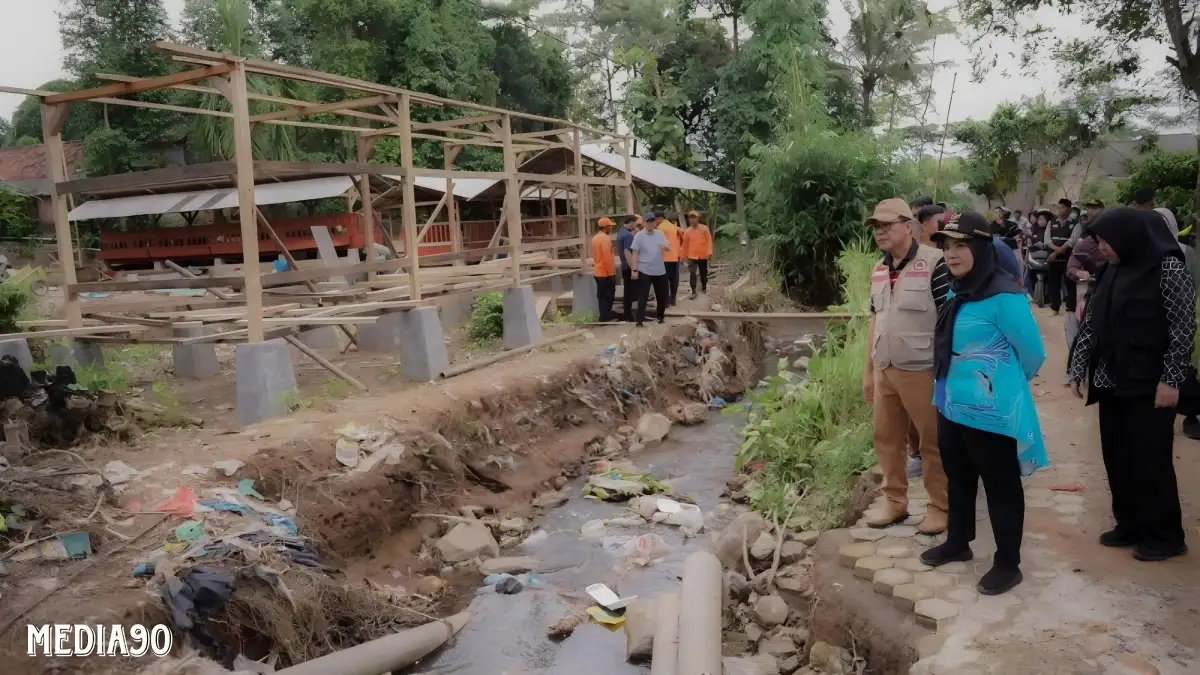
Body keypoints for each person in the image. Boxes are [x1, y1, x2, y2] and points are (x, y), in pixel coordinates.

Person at [920, 210, 1047, 595]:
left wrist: (1000, 384)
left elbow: (1033, 354)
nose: (951, 254)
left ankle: (1008, 563)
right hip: (949, 402)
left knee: (1000, 483)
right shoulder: (955, 290)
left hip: (991, 410)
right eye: (946, 246)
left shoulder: (1004, 296)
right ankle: (959, 542)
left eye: (960, 246)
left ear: (980, 247)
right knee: (958, 476)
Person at [1068, 208, 1193, 562]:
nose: (1101, 248)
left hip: (1149, 386)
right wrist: (1078, 367)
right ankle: (1130, 524)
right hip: (1111, 385)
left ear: (1128, 237)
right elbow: (1091, 323)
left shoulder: (1167, 268)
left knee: (1150, 461)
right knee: (1117, 457)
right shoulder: (1110, 270)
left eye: (1106, 241)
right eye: (1098, 241)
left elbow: (1182, 329)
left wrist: (1171, 379)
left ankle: (1165, 535)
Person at [862, 198, 950, 534]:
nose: (880, 232)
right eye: (876, 227)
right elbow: (875, 320)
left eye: (886, 225)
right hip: (885, 368)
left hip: (922, 370)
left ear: (907, 226)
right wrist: (868, 371)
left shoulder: (935, 263)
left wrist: (947, 369)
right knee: (886, 438)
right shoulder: (879, 269)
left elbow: (948, 319)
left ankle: (939, 506)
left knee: (933, 441)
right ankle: (895, 502)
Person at [629, 211, 672, 327]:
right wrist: (634, 269)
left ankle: (660, 317)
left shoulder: (660, 234)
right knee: (643, 296)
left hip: (659, 270)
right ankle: (639, 320)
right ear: (644, 223)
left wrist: (666, 247)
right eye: (648, 222)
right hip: (644, 269)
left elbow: (668, 247)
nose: (650, 224)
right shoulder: (639, 236)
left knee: (661, 296)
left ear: (654, 223)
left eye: (652, 221)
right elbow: (635, 252)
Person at [1045, 198, 1077, 314]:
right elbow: (1047, 240)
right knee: (1053, 283)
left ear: (1069, 210)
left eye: (1062, 207)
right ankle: (1055, 307)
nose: (1060, 210)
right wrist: (1056, 250)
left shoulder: (1075, 224)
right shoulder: (1051, 222)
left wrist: (1057, 252)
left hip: (1068, 259)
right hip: (1053, 259)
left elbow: (1072, 241)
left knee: (1070, 283)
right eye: (1059, 207)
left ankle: (1071, 307)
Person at [681, 210, 713, 299]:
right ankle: (694, 291)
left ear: (698, 219)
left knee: (703, 273)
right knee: (692, 273)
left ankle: (704, 287)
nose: (692, 220)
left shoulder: (704, 229)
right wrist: (683, 256)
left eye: (694, 218)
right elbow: (684, 245)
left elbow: (709, 240)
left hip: (703, 255)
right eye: (691, 218)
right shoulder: (687, 231)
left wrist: (710, 252)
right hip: (691, 256)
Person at [591, 217, 618, 322]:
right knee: (608, 296)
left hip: (597, 271)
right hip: (605, 273)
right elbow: (607, 258)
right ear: (606, 227)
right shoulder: (605, 239)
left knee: (601, 296)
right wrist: (612, 273)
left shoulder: (595, 238)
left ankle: (603, 316)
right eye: (610, 226)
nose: (611, 228)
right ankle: (605, 318)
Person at [657, 210, 683, 307]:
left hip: (665, 257)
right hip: (675, 257)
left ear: (659, 218)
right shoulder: (675, 227)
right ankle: (673, 299)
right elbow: (684, 235)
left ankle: (666, 301)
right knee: (674, 279)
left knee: (664, 280)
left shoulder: (660, 228)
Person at [617, 215, 639, 322]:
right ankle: (630, 315)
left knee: (627, 291)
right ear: (631, 222)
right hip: (629, 266)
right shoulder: (628, 235)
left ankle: (627, 313)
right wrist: (634, 269)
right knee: (632, 291)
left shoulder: (621, 232)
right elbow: (628, 253)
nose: (636, 226)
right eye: (635, 223)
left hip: (624, 265)